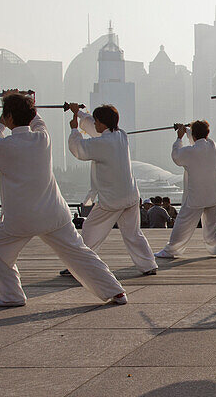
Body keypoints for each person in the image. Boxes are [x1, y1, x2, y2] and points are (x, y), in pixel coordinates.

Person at [0, 91, 126, 307]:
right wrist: (26, 100)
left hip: (21, 219)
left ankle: (12, 296)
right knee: (79, 253)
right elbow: (37, 119)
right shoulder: (42, 138)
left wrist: (1, 124)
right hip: (53, 213)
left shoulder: (3, 147)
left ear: (9, 116)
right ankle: (116, 292)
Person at [66, 104, 158, 275]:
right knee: (133, 234)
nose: (94, 125)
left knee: (90, 229)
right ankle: (148, 265)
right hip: (130, 196)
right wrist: (78, 113)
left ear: (101, 123)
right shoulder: (120, 135)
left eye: (97, 122)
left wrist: (74, 130)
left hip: (112, 199)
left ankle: (81, 265)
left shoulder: (102, 143)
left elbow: (79, 149)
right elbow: (94, 130)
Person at [156, 120, 216, 259]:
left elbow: (176, 155)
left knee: (183, 223)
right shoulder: (212, 145)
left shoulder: (190, 151)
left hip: (198, 195)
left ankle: (171, 250)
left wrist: (179, 137)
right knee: (214, 224)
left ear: (193, 135)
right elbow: (198, 138)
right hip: (215, 192)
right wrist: (187, 129)